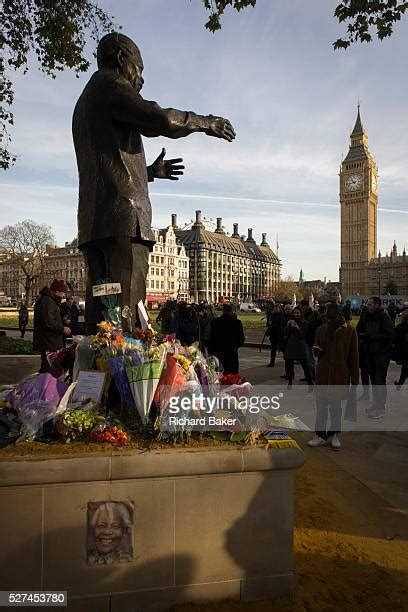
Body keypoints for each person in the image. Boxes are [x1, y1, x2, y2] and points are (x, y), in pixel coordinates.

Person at [72, 32, 235, 334]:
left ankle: (93, 377)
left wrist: (146, 172)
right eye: (140, 68)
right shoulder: (111, 86)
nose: (141, 79)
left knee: (100, 314)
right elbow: (161, 119)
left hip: (95, 223)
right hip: (125, 222)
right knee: (127, 315)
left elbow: (106, 165)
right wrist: (206, 122)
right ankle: (125, 378)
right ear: (122, 58)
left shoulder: (84, 102)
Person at [308, 303, 359, 450]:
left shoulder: (350, 331)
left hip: (339, 375)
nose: (329, 321)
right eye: (327, 318)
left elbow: (353, 357)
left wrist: (355, 379)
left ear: (339, 315)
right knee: (321, 407)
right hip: (323, 375)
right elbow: (316, 348)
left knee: (336, 408)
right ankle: (319, 434)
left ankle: (334, 434)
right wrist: (316, 350)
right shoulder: (321, 329)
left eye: (331, 317)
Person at [358, 296, 395, 419]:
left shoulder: (384, 318)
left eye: (369, 304)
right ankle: (375, 405)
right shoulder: (369, 317)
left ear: (377, 305)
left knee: (379, 381)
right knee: (374, 381)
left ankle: (380, 408)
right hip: (370, 353)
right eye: (367, 304)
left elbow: (390, 335)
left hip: (381, 355)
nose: (367, 306)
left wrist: (371, 336)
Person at [33, 279, 71, 373]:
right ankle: (44, 387)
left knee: (49, 369)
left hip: (49, 342)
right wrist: (62, 328)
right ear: (57, 292)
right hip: (49, 342)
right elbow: (48, 323)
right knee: (48, 369)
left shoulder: (48, 300)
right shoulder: (47, 301)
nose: (63, 296)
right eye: (63, 293)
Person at [209, 304, 245, 374]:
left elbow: (212, 337)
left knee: (220, 374)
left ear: (223, 310)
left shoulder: (215, 322)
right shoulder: (237, 322)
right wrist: (236, 346)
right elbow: (241, 339)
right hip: (231, 352)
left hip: (219, 351)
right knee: (232, 375)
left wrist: (212, 350)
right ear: (231, 311)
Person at [282, 307, 313, 387]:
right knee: (289, 364)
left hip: (300, 346)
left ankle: (310, 381)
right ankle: (290, 381)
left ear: (301, 313)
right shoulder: (291, 321)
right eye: (294, 313)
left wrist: (296, 327)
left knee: (305, 365)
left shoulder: (305, 322)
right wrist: (287, 325)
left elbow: (302, 335)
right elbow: (286, 334)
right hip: (291, 345)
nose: (296, 315)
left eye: (298, 313)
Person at [264, 303, 284, 367]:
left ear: (279, 308)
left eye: (277, 308)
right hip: (273, 334)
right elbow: (269, 323)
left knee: (283, 348)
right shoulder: (272, 315)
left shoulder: (282, 315)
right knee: (273, 349)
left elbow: (279, 323)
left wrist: (273, 322)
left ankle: (288, 361)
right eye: (275, 308)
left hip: (279, 334)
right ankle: (272, 362)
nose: (276, 309)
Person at [394, 309, 408, 389]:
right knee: (405, 369)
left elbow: (395, 339)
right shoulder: (400, 327)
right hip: (404, 352)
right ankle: (400, 382)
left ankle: (400, 383)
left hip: (404, 353)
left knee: (405, 369)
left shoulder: (400, 327)